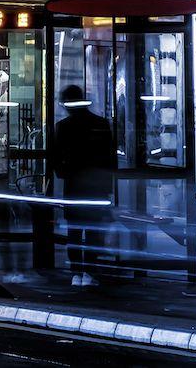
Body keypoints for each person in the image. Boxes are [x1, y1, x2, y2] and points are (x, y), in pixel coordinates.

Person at [49, 84, 115, 287]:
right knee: (94, 232)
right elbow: (110, 159)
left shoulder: (63, 126)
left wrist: (64, 172)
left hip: (75, 187)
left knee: (75, 232)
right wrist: (108, 187)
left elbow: (55, 158)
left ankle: (76, 272)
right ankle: (90, 271)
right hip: (96, 188)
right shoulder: (101, 124)